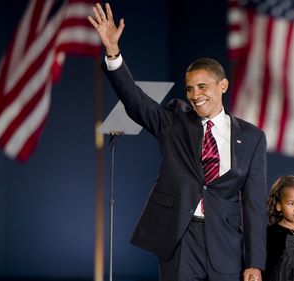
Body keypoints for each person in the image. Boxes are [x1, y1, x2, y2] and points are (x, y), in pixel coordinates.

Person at [88, 3, 268, 281]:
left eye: (203, 87)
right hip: (182, 238)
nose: (195, 95)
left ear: (223, 86)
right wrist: (113, 52)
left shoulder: (252, 137)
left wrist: (255, 262)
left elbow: (254, 205)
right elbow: (136, 103)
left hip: (226, 242)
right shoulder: (174, 122)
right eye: (190, 88)